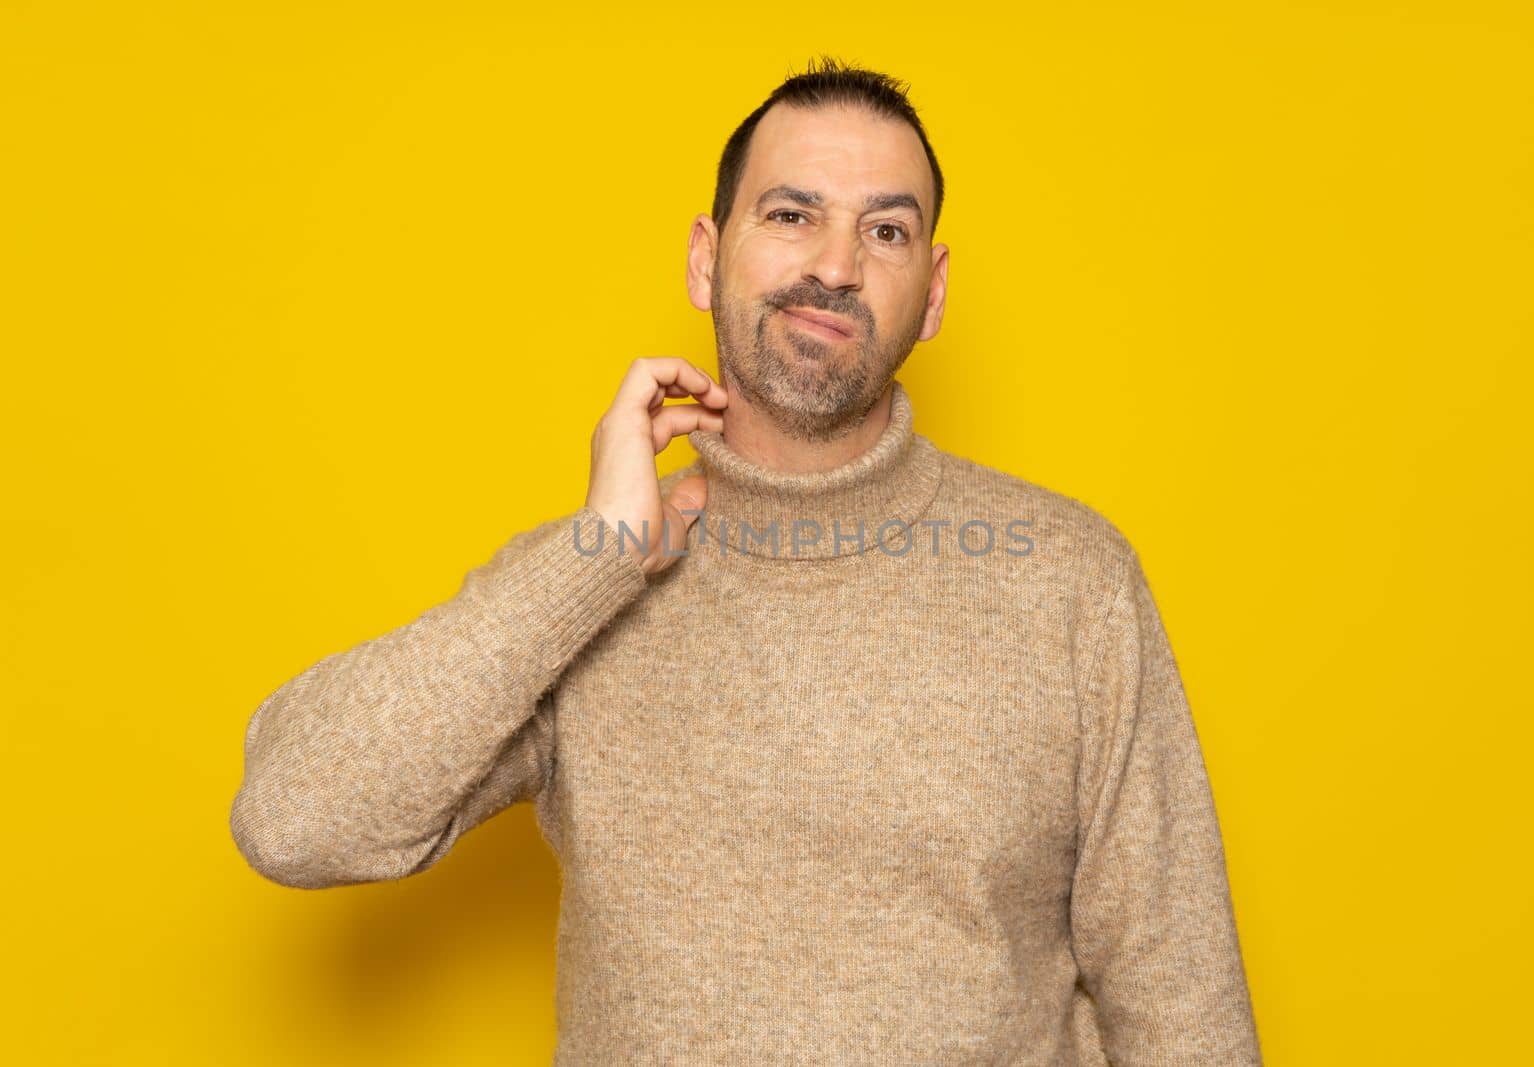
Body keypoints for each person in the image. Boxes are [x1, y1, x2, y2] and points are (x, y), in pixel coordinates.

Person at [230, 56, 1263, 1065]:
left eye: (886, 230)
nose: (836, 265)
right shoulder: (583, 586)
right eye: (791, 214)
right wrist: (593, 558)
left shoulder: (1070, 577)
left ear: (933, 292)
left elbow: (1182, 999)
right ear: (703, 256)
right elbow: (295, 817)